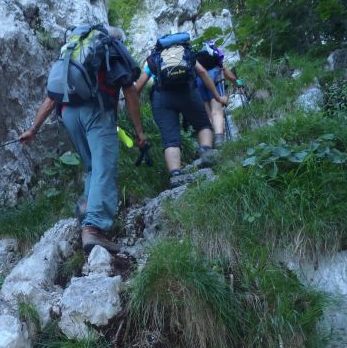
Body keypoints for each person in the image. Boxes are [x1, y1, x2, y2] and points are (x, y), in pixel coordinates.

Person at [20, 26, 147, 254]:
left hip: (68, 113)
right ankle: (94, 228)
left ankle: (87, 208)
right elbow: (129, 91)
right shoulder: (112, 49)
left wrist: (33, 129)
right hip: (96, 112)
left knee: (91, 167)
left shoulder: (75, 53)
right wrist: (139, 130)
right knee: (104, 168)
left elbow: (51, 97)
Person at [135, 40, 228, 187]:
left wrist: (133, 110)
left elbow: (139, 86)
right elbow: (203, 72)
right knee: (203, 125)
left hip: (162, 98)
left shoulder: (155, 57)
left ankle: (176, 175)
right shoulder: (186, 53)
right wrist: (217, 96)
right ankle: (206, 153)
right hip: (188, 93)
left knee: (170, 139)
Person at [195, 40, 243, 147]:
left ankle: (210, 143)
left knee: (208, 114)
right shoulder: (215, 52)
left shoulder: (196, 57)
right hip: (215, 77)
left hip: (199, 81)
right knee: (216, 111)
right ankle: (219, 142)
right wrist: (239, 83)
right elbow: (226, 72)